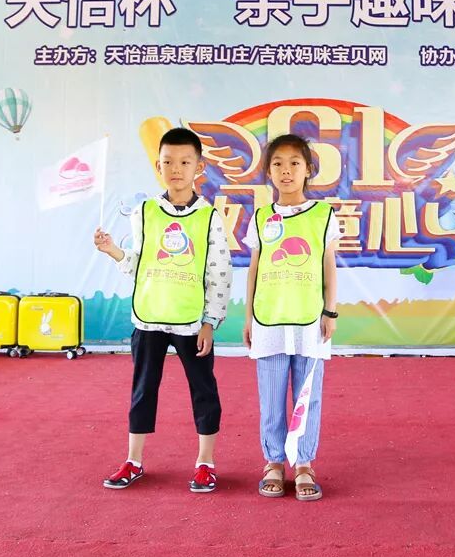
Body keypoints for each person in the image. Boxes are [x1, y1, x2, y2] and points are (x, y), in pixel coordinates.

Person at [93, 128, 230, 492]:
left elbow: (219, 272)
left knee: (203, 390)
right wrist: (113, 251)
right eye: (168, 161)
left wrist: (210, 321)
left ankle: (205, 463)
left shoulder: (209, 217)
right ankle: (133, 461)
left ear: (199, 167)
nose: (176, 169)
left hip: (190, 321)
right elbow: (138, 263)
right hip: (149, 318)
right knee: (142, 390)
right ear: (158, 166)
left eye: (185, 162)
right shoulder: (144, 212)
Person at [243, 134, 341, 501]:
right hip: (269, 320)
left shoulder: (323, 216)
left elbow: (329, 267)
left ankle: (303, 464)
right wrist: (249, 317)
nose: (286, 171)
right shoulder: (260, 217)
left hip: (310, 321)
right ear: (268, 172)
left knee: (307, 397)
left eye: (294, 163)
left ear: (308, 170)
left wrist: (330, 311)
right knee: (270, 398)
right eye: (278, 164)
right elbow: (254, 269)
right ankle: (273, 462)